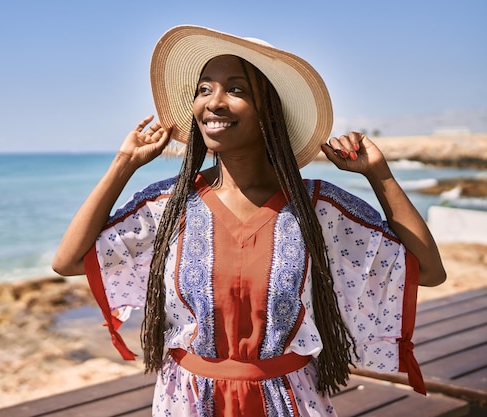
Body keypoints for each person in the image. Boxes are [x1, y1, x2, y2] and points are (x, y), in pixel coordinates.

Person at [52, 25, 446, 417]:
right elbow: (69, 261)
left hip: (288, 402)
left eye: (236, 90)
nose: (214, 102)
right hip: (188, 402)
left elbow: (427, 270)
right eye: (204, 89)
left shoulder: (318, 208)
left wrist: (380, 176)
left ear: (269, 112)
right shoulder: (168, 204)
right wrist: (124, 164)